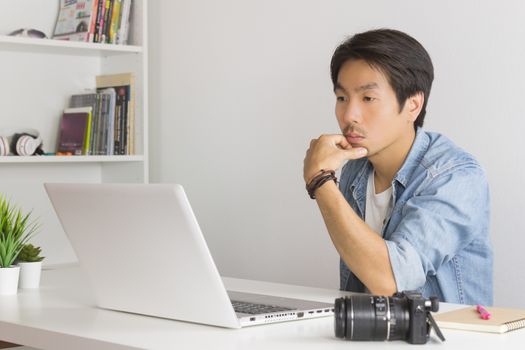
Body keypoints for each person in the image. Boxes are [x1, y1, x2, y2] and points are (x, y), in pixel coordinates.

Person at [303, 28, 492, 305]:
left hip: (447, 339)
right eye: (342, 98)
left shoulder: (457, 176)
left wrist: (321, 181)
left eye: (368, 99)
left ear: (413, 105)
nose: (349, 114)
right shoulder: (356, 168)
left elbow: (389, 280)